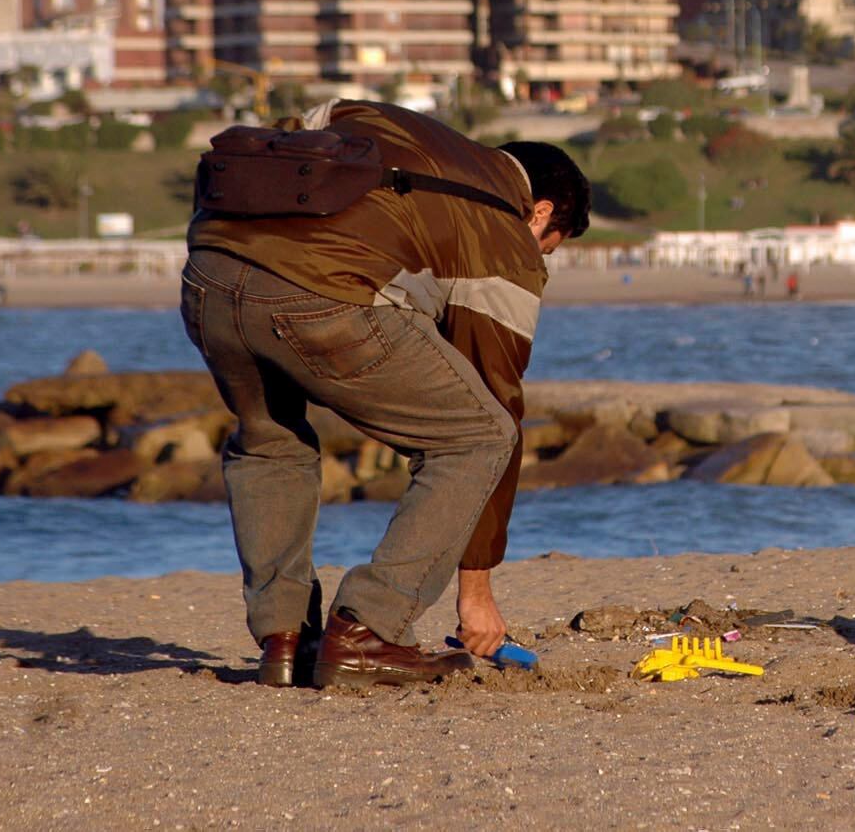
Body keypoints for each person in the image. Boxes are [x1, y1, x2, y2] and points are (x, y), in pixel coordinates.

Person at [183, 100, 590, 689]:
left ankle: (285, 638)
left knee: (270, 438)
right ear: (542, 213)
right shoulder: (504, 230)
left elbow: (309, 121)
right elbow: (497, 397)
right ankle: (368, 630)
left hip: (210, 274)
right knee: (480, 437)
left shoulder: (396, 127)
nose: (541, 260)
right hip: (322, 297)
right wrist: (476, 591)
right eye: (548, 248)